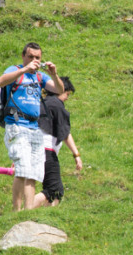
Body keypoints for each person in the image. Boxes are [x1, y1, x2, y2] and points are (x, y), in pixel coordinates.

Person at [0, 42, 64, 211]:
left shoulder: (40, 77)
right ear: (23, 57)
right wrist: (24, 70)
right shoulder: (15, 70)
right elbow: (1, 81)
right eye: (30, 57)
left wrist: (54, 74)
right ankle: (16, 210)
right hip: (17, 125)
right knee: (22, 168)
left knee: (34, 171)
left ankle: (27, 211)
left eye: (37, 57)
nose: (34, 60)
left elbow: (58, 89)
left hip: (35, 128)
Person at [32, 76, 83, 208]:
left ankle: (34, 212)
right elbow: (65, 133)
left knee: (51, 188)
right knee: (54, 190)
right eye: (67, 93)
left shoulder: (42, 103)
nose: (67, 98)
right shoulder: (56, 104)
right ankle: (25, 211)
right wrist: (76, 155)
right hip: (46, 150)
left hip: (34, 148)